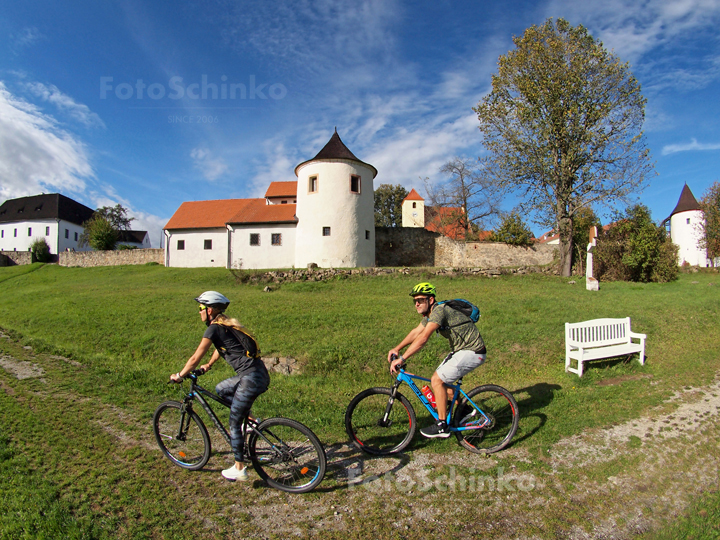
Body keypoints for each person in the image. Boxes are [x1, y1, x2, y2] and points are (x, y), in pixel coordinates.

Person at [170, 291, 270, 481]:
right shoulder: (225, 325)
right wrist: (208, 365)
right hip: (258, 374)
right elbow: (223, 348)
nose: (198, 311)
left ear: (210, 310)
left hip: (250, 379)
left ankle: (239, 468)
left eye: (200, 308)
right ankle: (250, 422)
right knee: (221, 389)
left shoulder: (214, 329)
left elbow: (193, 359)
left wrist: (179, 375)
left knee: (233, 422)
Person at [388, 282, 486, 438]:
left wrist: (402, 358)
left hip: (473, 351)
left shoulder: (439, 311)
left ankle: (442, 425)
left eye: (420, 300)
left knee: (436, 380)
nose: (417, 304)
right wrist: (397, 348)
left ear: (431, 300)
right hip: (461, 351)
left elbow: (423, 338)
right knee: (441, 386)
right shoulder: (431, 314)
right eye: (415, 301)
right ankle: (466, 411)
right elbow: (416, 332)